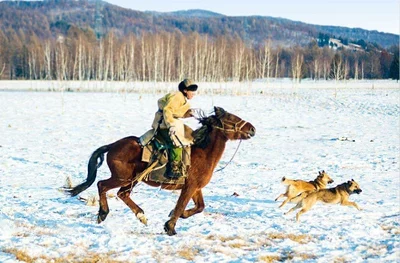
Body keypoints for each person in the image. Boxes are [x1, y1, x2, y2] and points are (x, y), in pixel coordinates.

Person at [151, 79, 198, 179]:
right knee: (177, 141)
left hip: (172, 123)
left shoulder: (183, 99)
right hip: (164, 124)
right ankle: (174, 168)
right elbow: (167, 110)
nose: (194, 94)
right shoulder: (177, 96)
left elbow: (177, 112)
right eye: (192, 91)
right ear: (185, 90)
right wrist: (170, 125)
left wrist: (191, 114)